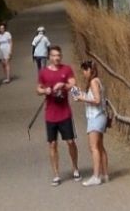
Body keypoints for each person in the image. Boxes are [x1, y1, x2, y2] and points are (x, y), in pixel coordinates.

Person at [36, 45, 80, 186]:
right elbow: (38, 88)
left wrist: (63, 85)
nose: (56, 58)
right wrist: (45, 91)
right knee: (52, 144)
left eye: (58, 55)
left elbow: (73, 84)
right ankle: (56, 174)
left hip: (65, 112)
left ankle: (75, 168)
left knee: (70, 142)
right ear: (49, 57)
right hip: (50, 114)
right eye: (54, 55)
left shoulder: (66, 69)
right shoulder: (43, 72)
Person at [73, 59, 109, 186]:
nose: (83, 73)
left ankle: (96, 176)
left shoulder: (93, 82)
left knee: (93, 147)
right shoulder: (98, 81)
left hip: (95, 117)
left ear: (89, 70)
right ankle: (105, 174)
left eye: (84, 70)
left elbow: (97, 100)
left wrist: (82, 98)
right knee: (100, 146)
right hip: (101, 116)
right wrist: (83, 95)